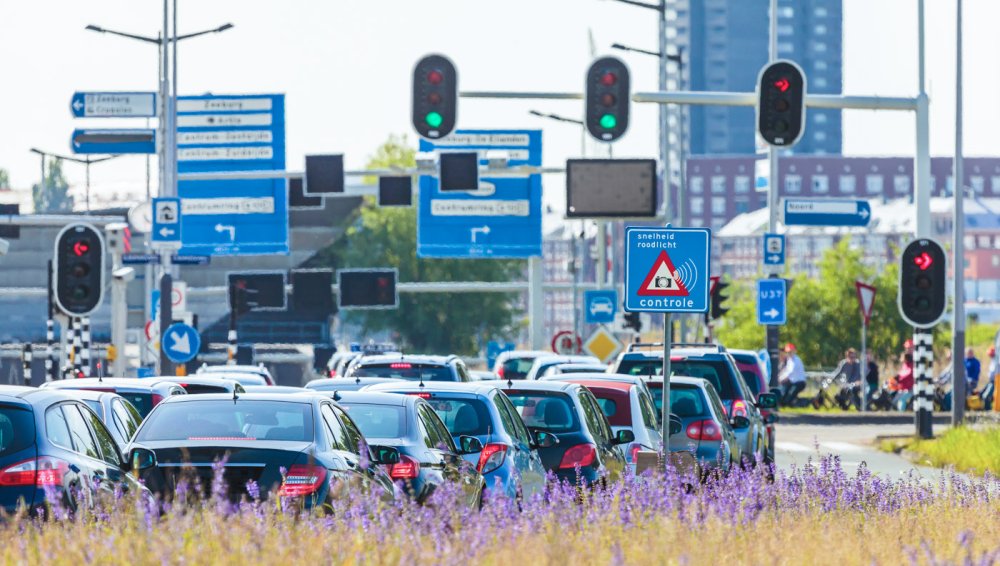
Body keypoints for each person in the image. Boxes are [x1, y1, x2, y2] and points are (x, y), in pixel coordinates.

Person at [981, 346, 996, 411]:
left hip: (995, 381)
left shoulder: (996, 361)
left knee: (986, 395)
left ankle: (988, 409)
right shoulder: (993, 361)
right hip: (991, 381)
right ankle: (986, 408)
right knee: (982, 393)